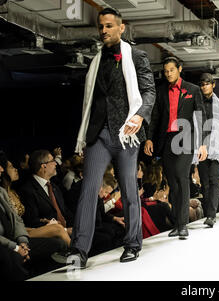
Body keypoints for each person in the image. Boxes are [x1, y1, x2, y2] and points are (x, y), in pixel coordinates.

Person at [63, 7, 156, 268]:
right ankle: (79, 251)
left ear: (121, 27)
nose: (103, 30)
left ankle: (133, 243)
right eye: (101, 26)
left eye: (108, 26)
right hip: (99, 133)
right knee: (88, 190)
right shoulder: (96, 61)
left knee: (128, 190)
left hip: (127, 132)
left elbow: (149, 92)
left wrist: (139, 116)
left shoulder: (136, 57)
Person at [144, 56, 207, 239]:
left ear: (179, 69)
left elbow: (201, 117)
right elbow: (155, 117)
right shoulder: (161, 91)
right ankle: (178, 223)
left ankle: (183, 224)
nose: (168, 73)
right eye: (165, 71)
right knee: (172, 182)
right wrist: (149, 139)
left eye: (171, 70)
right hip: (167, 140)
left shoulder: (192, 89)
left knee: (182, 177)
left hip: (186, 137)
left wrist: (202, 143)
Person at [196, 73, 219, 228]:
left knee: (214, 180)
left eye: (207, 84)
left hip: (217, 148)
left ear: (213, 84)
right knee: (204, 183)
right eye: (202, 84)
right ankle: (208, 212)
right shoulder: (196, 103)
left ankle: (211, 215)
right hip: (201, 147)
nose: (205, 87)